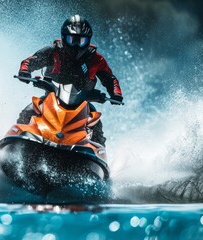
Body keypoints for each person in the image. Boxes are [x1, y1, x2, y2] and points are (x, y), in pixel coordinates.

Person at [17, 14, 123, 146]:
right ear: (64, 38)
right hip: (51, 97)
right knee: (30, 110)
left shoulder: (96, 59)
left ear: (88, 41)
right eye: (72, 40)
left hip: (82, 103)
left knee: (95, 123)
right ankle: (13, 144)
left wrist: (116, 93)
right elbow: (30, 61)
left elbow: (110, 79)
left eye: (82, 41)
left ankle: (97, 158)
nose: (77, 46)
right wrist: (25, 72)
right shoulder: (53, 51)